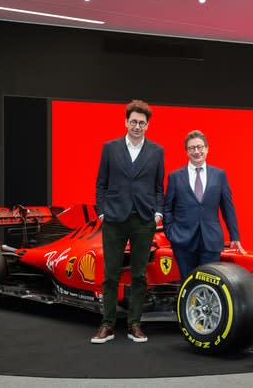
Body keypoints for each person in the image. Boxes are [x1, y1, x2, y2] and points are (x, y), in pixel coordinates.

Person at [91, 100, 164, 344]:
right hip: (114, 219)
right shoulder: (109, 148)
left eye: (142, 123)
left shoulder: (156, 151)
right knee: (110, 274)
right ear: (126, 122)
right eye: (133, 121)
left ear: (147, 125)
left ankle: (135, 324)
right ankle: (107, 325)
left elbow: (158, 188)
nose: (137, 126)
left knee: (139, 275)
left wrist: (158, 214)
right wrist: (102, 212)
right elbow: (101, 183)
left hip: (143, 221)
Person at [163, 130, 242, 280]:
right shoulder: (175, 177)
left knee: (210, 284)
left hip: (211, 241)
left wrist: (234, 236)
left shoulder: (219, 175)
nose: (197, 151)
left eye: (200, 147)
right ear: (186, 151)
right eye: (192, 148)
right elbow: (167, 208)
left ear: (207, 149)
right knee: (188, 283)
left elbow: (228, 207)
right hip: (183, 241)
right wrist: (171, 233)